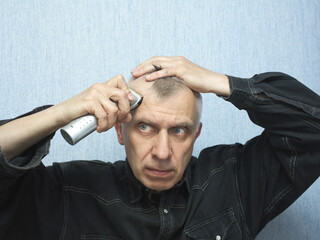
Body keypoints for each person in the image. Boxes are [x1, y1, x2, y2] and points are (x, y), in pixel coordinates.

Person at [0, 56, 319, 239]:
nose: (163, 152)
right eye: (144, 127)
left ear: (196, 135)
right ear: (120, 133)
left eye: (179, 130)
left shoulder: (233, 182)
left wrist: (223, 83)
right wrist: (59, 113)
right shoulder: (67, 193)